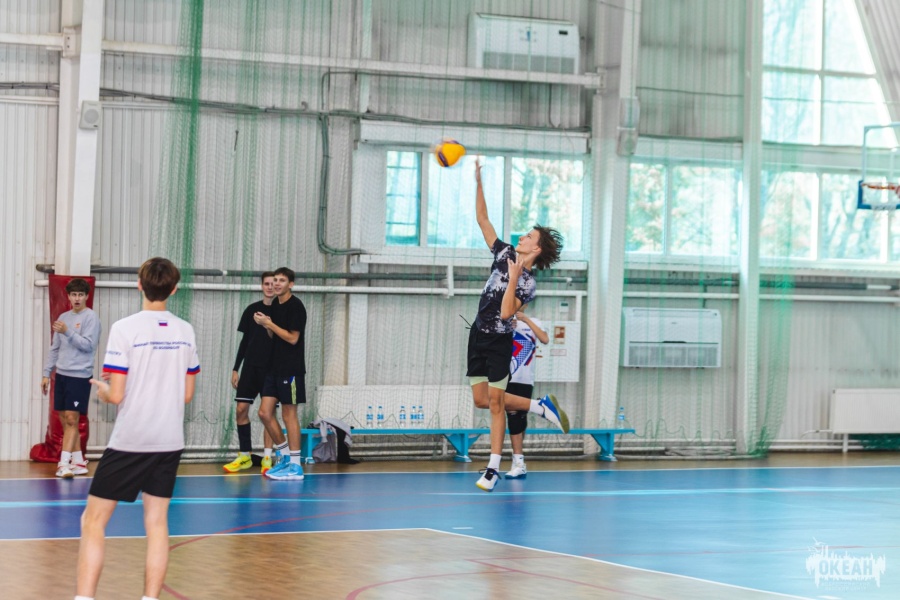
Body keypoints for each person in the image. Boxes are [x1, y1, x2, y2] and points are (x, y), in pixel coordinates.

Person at [76, 257, 200, 600]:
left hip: (132, 439)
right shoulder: (185, 330)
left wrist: (104, 390)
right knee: (156, 524)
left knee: (93, 522)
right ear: (174, 289)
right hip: (169, 440)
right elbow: (186, 394)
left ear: (139, 285)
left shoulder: (125, 328)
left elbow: (116, 395)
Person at [468, 159, 564, 492]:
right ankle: (539, 406)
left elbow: (508, 312)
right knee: (481, 400)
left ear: (536, 248)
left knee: (496, 404)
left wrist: (513, 278)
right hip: (477, 334)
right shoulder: (504, 252)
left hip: (499, 341)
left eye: (529, 235)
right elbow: (483, 220)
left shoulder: (528, 284)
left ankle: (493, 468)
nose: (522, 236)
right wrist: (478, 182)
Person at [41, 277, 101, 478]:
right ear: (68, 296)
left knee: (72, 419)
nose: (77, 298)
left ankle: (63, 464)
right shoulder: (63, 317)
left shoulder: (91, 318)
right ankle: (78, 461)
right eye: (73, 294)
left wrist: (68, 332)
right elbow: (55, 348)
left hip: (79, 376)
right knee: (64, 418)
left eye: (80, 295)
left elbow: (88, 345)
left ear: (86, 296)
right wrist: (46, 373)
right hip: (62, 375)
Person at [223, 271, 282, 475]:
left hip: (271, 370)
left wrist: (269, 325)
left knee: (268, 414)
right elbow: (244, 341)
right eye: (266, 283)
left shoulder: (281, 312)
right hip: (250, 368)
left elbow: (285, 340)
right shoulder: (251, 310)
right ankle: (245, 455)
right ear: (262, 286)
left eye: (273, 283)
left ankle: (267, 457)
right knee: (241, 409)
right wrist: (235, 368)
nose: (270, 287)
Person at [254, 266, 308, 481]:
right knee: (264, 413)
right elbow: (273, 335)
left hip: (291, 369)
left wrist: (270, 324)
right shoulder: (275, 304)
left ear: (290, 284)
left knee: (288, 414)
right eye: (275, 280)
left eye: (281, 280)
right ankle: (285, 456)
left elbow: (293, 338)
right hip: (273, 368)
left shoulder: (296, 307)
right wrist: (265, 325)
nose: (276, 284)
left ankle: (296, 465)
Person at [504, 305, 569, 479]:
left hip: (526, 378)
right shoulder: (503, 322)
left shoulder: (534, 322)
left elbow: (545, 339)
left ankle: (518, 461)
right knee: (512, 414)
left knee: (520, 417)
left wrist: (525, 320)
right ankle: (518, 461)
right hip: (507, 376)